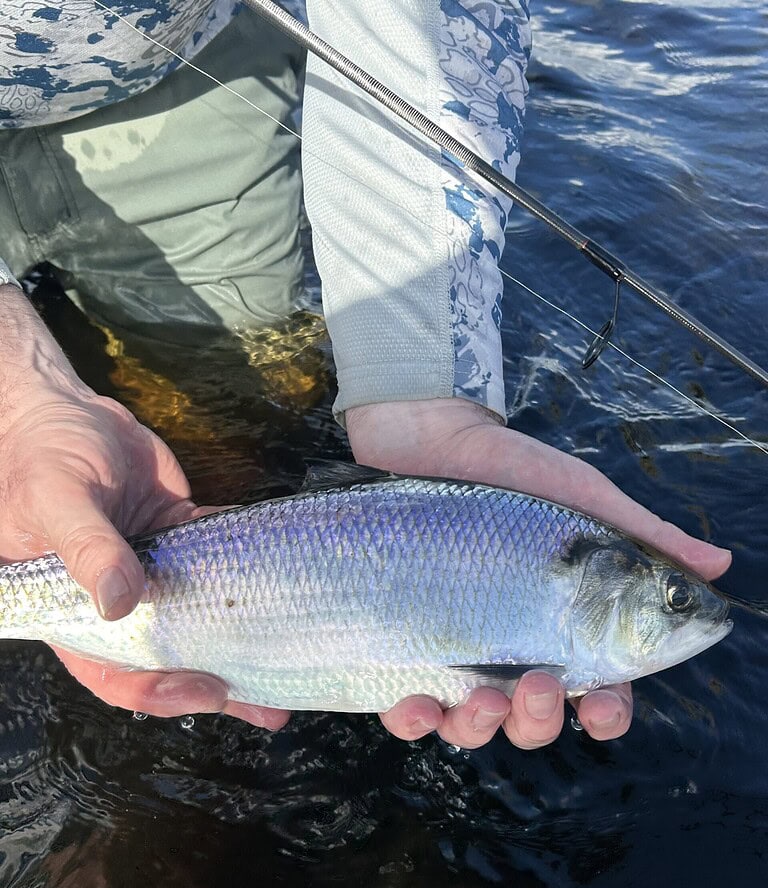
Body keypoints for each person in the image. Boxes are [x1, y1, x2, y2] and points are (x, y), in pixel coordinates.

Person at [0, 0, 730, 751]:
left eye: (675, 599)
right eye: (674, 598)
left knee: (222, 387)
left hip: (187, 78)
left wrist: (421, 388)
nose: (691, 612)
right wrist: (18, 402)